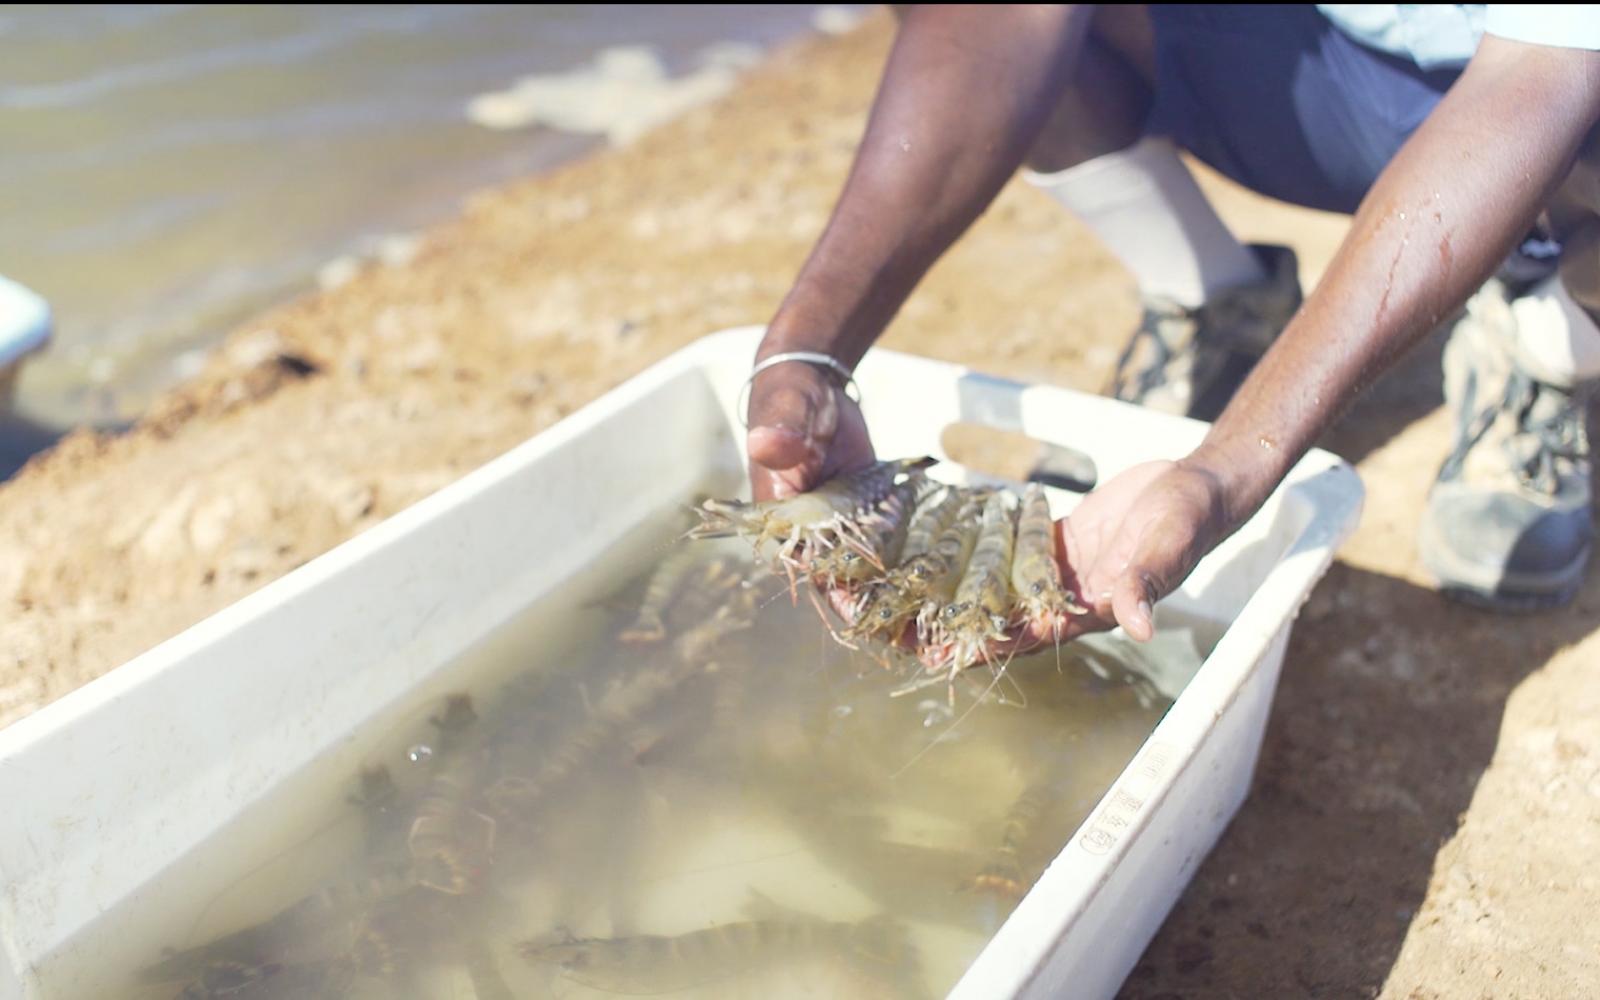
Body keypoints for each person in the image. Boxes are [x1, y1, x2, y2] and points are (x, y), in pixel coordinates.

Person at [742, 4, 1600, 653]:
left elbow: (1537, 79)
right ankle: (1214, 302)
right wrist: (810, 348)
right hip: (1330, 73)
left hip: (1549, 101)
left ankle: (1548, 340)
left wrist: (1224, 472)